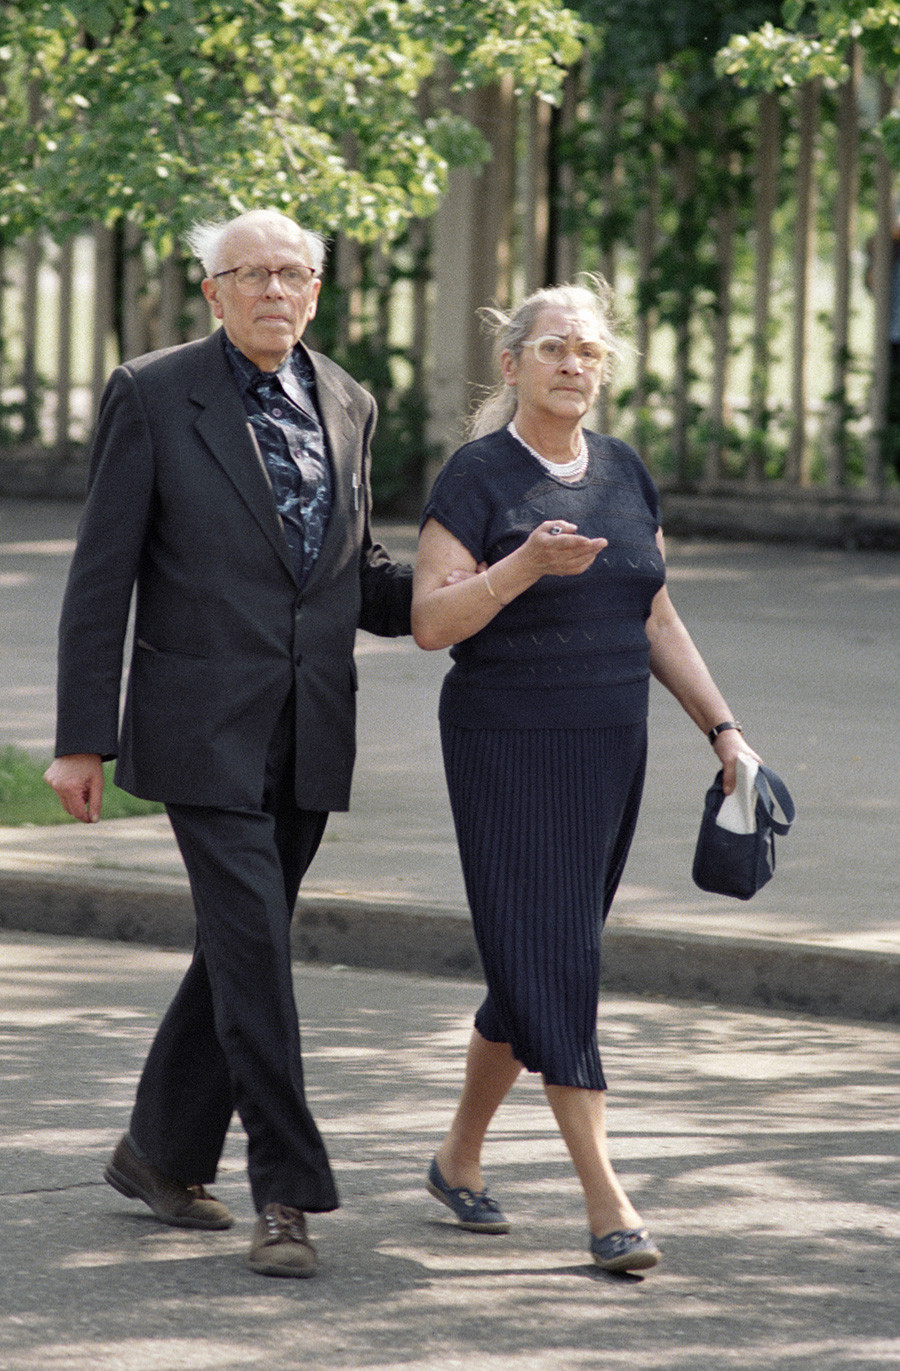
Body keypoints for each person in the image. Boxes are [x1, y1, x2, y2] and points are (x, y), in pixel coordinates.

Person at [44, 209, 413, 1279]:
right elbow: (100, 575)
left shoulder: (347, 398)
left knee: (233, 955)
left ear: (317, 289)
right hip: (197, 727)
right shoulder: (153, 394)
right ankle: (287, 1195)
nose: (274, 292)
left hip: (308, 728)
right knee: (258, 956)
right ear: (212, 292)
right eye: (249, 274)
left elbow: (354, 570)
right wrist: (81, 740)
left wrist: (483, 585)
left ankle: (157, 1152)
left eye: (293, 274)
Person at [411, 278, 761, 1275]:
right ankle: (608, 1203)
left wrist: (725, 731)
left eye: (590, 352)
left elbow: (656, 616)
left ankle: (457, 1154)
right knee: (559, 960)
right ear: (513, 363)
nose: (574, 365)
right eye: (555, 347)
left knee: (539, 956)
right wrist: (521, 565)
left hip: (611, 746)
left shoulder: (623, 471)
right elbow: (431, 623)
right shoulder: (476, 478)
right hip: (508, 745)